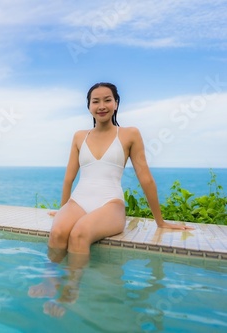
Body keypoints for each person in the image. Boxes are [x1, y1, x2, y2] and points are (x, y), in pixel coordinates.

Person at [29, 82, 194, 317]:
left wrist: (161, 222)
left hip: (110, 203)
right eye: (95, 101)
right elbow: (69, 179)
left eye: (107, 100)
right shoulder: (78, 136)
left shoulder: (129, 134)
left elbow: (145, 178)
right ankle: (50, 280)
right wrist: (63, 209)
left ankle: (71, 287)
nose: (102, 105)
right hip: (79, 201)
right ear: (89, 107)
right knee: (57, 232)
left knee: (79, 234)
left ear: (116, 104)